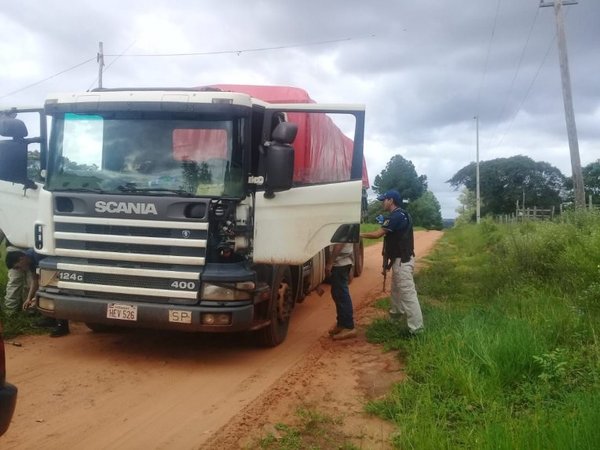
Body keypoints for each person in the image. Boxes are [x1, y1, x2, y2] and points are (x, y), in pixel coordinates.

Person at [360, 190, 424, 335]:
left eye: (384, 200)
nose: (382, 202)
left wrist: (358, 234)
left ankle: (417, 330)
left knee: (408, 294)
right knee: (396, 291)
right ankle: (395, 317)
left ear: (391, 200)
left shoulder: (395, 216)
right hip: (400, 260)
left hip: (403, 261)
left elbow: (377, 234)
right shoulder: (401, 214)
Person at [5, 249, 70, 337]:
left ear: (21, 259)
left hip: (58, 272)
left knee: (54, 291)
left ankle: (62, 325)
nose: (19, 270)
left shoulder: (39, 255)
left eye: (18, 267)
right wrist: (29, 298)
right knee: (46, 291)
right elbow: (35, 280)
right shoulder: (29, 260)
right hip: (48, 276)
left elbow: (50, 278)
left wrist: (36, 298)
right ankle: (50, 318)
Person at [325, 243, 357, 340]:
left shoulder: (342, 227)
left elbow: (339, 244)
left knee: (342, 295)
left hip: (340, 263)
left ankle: (349, 327)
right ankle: (342, 324)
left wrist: (330, 262)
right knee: (337, 294)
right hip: (342, 262)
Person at [0, 230, 28, 315]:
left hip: (33, 249)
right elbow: (2, 228)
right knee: (15, 281)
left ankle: (28, 308)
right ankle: (11, 310)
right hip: (15, 249)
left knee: (30, 282)